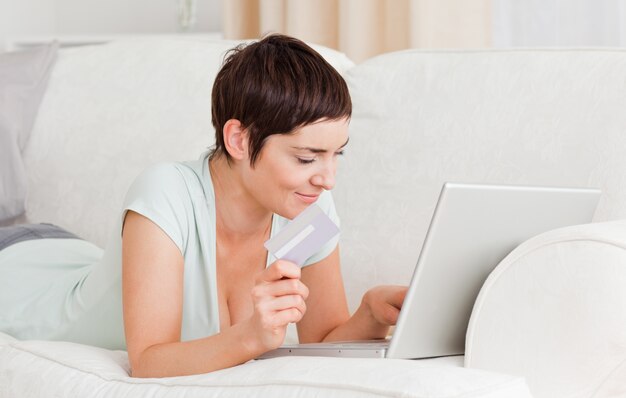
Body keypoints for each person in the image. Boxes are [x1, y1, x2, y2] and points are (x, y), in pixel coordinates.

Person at [0, 34, 407, 378]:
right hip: (19, 272)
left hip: (70, 253)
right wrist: (251, 336)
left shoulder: (310, 211)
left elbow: (321, 344)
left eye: (338, 154)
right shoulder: (166, 194)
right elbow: (148, 361)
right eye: (306, 158)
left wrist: (370, 315)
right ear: (239, 140)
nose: (328, 178)